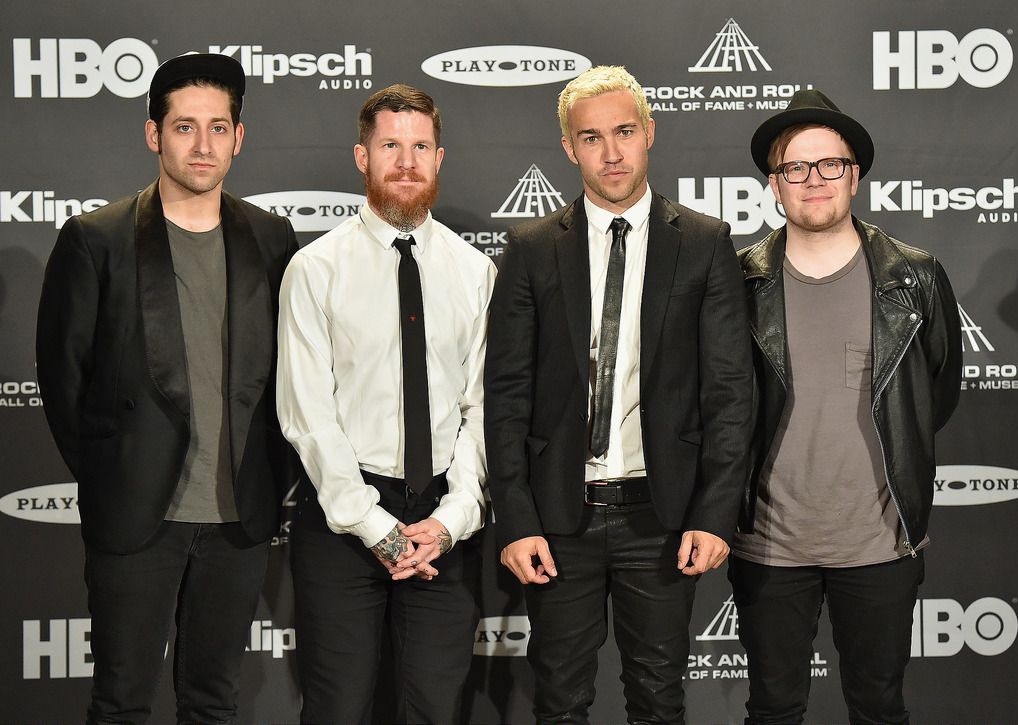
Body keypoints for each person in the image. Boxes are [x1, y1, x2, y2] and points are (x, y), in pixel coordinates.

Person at [484, 65, 752, 724]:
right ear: (570, 147)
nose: (612, 152)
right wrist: (516, 519)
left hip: (660, 516)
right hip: (557, 517)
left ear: (649, 133)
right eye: (592, 137)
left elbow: (729, 390)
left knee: (658, 700)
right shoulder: (532, 247)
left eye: (624, 131)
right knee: (559, 701)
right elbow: (507, 394)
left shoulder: (706, 243)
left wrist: (714, 512)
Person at [36, 52, 298, 724]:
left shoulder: (273, 239)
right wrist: (116, 472)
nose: (202, 145)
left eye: (218, 127)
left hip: (238, 517)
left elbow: (291, 375)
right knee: (121, 702)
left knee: (213, 701)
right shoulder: (96, 240)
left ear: (239, 138)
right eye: (184, 127)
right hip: (136, 518)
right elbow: (64, 383)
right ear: (153, 133)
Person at [730, 89, 962, 725]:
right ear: (773, 185)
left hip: (881, 543)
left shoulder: (915, 276)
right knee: (773, 710)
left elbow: (933, 395)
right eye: (794, 168)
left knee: (879, 709)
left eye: (828, 164)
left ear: (854, 175)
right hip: (768, 546)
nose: (812, 180)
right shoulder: (735, 280)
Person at [276, 83, 494, 724]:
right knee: (338, 707)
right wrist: (374, 527)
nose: (406, 161)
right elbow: (307, 413)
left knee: (433, 707)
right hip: (343, 521)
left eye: (420, 146)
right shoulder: (316, 269)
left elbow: (483, 408)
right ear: (361, 157)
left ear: (439, 157)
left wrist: (453, 518)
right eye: (390, 146)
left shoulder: (475, 271)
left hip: (441, 528)